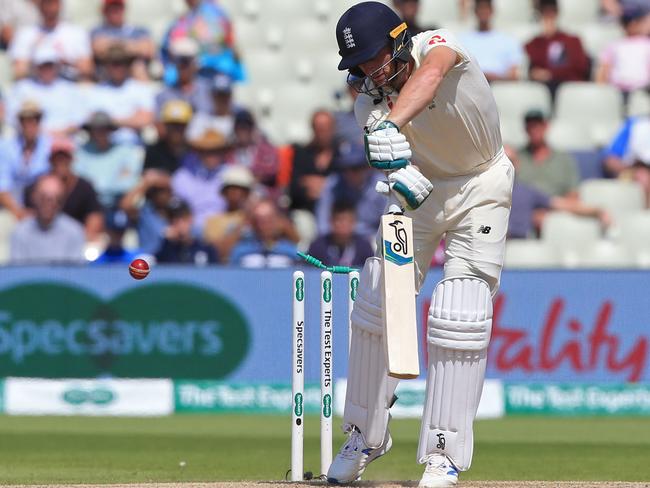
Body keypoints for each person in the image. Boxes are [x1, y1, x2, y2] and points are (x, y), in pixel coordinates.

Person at [329, 3, 514, 486]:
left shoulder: (438, 45)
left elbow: (431, 74)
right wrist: (396, 171)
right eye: (359, 66)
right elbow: (393, 161)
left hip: (482, 184)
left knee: (461, 307)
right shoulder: (368, 104)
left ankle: (443, 451)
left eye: (374, 57)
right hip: (424, 194)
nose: (369, 72)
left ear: (398, 39)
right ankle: (365, 434)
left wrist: (391, 124)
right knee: (376, 297)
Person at [506, 146, 610, 238]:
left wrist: (597, 211)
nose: (506, 166)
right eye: (502, 161)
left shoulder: (528, 193)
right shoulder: (489, 193)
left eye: (511, 160)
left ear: (518, 164)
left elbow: (564, 205)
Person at [24, 137, 104, 241]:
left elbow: (94, 218)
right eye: (57, 158)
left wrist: (78, 241)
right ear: (50, 160)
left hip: (77, 242)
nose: (60, 162)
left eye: (65, 157)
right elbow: (27, 217)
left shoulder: (85, 188)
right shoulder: (38, 186)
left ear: (72, 159)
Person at [84, 43, 155, 144]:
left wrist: (109, 121)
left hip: (132, 145)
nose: (118, 67)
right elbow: (91, 120)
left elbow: (145, 120)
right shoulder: (96, 91)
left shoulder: (141, 89)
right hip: (103, 145)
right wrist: (130, 120)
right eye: (114, 63)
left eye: (122, 63)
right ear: (106, 65)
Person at [6, 44, 83, 135]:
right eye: (43, 65)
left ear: (57, 66)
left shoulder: (70, 89)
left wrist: (60, 134)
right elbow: (12, 117)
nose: (47, 69)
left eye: (50, 65)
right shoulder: (22, 88)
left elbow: (79, 119)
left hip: (66, 140)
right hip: (31, 141)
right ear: (35, 67)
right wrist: (38, 132)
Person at [160, 0, 244, 83]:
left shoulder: (216, 14)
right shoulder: (182, 21)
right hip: (192, 72)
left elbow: (227, 42)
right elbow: (168, 46)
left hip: (215, 71)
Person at [315, 140, 385, 238]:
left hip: (373, 239)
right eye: (345, 168)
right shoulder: (334, 184)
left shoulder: (382, 186)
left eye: (355, 168)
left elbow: (390, 224)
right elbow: (322, 224)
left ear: (367, 167)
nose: (349, 174)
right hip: (341, 240)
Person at [74, 111, 143, 209]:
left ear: (110, 130)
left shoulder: (125, 151)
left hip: (117, 205)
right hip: (89, 205)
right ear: (90, 131)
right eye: (96, 128)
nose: (100, 132)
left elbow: (129, 183)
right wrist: (112, 183)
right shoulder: (81, 152)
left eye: (104, 128)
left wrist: (98, 187)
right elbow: (79, 182)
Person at [9, 0, 93, 80]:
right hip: (35, 86)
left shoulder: (76, 33)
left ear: (60, 5)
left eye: (53, 3)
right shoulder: (25, 34)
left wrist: (64, 62)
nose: (50, 8)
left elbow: (87, 69)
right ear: (39, 5)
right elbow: (18, 71)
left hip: (69, 84)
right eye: (46, 3)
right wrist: (38, 59)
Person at [10, 174, 85, 264]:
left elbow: (75, 273)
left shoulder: (74, 232)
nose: (50, 204)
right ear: (34, 197)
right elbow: (18, 272)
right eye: (44, 198)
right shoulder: (20, 232)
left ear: (63, 201)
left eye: (57, 198)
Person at [525, 0, 590, 97]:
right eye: (544, 14)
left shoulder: (572, 41)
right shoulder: (534, 43)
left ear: (557, 14)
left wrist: (550, 74)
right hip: (543, 90)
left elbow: (580, 68)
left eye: (551, 13)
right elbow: (530, 68)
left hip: (568, 89)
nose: (548, 18)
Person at [0, 101, 52, 219]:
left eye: (35, 119)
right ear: (20, 122)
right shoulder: (5, 147)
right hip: (11, 209)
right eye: (25, 120)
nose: (30, 124)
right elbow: (2, 187)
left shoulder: (49, 146)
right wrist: (19, 212)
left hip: (43, 209)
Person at [171, 128, 228, 229]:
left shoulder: (231, 174)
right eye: (208, 152)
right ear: (199, 152)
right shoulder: (183, 177)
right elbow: (177, 209)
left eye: (216, 151)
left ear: (222, 152)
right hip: (193, 231)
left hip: (225, 230)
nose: (212, 156)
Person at [515, 109, 580, 198]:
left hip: (557, 209)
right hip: (525, 208)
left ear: (546, 126)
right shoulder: (516, 158)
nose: (534, 130)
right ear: (525, 129)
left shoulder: (564, 159)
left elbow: (573, 194)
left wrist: (550, 207)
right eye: (530, 126)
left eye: (538, 125)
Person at [458, 0, 523, 82]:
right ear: (475, 11)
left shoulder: (508, 40)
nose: (483, 11)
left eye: (486, 8)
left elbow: (514, 74)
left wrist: (495, 78)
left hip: (500, 86)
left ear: (492, 11)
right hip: (471, 85)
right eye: (480, 8)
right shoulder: (462, 40)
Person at [91, 0, 155, 81]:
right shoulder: (97, 31)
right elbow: (98, 48)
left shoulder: (138, 30)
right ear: (104, 11)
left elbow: (147, 50)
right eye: (111, 9)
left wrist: (113, 45)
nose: (115, 11)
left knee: (138, 67)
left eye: (118, 8)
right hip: (107, 70)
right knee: (113, 66)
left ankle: (143, 92)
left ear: (124, 9)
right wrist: (131, 46)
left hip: (131, 70)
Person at [203, 165, 255, 262]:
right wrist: (244, 223)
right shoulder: (213, 221)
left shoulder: (259, 217)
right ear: (224, 192)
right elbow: (219, 253)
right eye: (232, 188)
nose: (236, 193)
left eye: (241, 189)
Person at [288, 110, 337, 213]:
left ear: (333, 129)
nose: (322, 133)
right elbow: (294, 187)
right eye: (319, 129)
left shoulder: (341, 154)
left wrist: (325, 185)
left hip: (336, 211)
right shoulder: (301, 154)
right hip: (307, 210)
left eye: (326, 129)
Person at [596, 5, 650, 96]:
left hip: (644, 92)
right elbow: (603, 71)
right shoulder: (614, 46)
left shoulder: (647, 45)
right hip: (616, 92)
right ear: (634, 24)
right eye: (644, 21)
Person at [229, 198, 298, 268]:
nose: (266, 226)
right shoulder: (241, 250)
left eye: (270, 220)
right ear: (253, 223)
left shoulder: (290, 250)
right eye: (261, 221)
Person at [120, 170, 174, 255]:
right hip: (148, 259)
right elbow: (125, 206)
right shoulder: (145, 211)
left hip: (174, 261)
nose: (164, 194)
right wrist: (146, 183)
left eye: (166, 190)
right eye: (157, 191)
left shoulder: (176, 208)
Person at [155, 37, 213, 115]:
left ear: (196, 64)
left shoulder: (210, 91)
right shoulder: (164, 96)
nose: (183, 66)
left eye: (187, 61)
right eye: (180, 61)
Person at [308, 200, 374, 268]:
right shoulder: (317, 246)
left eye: (347, 221)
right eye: (339, 220)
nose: (343, 225)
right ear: (331, 221)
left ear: (354, 222)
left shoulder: (364, 246)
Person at [603, 115, 650, 205]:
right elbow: (610, 159)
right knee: (643, 177)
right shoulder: (636, 125)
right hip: (635, 171)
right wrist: (631, 169)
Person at [155, 198, 218, 265]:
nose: (179, 223)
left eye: (183, 218)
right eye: (173, 219)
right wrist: (166, 241)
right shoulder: (165, 248)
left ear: (190, 218)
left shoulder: (205, 248)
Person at [230, 109, 279, 191]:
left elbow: (271, 171)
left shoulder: (266, 150)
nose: (243, 131)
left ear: (252, 128)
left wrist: (249, 178)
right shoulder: (229, 152)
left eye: (246, 127)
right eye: (240, 127)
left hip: (261, 194)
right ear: (235, 129)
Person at [144, 99, 193, 175]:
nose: (176, 129)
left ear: (188, 126)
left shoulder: (196, 152)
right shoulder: (154, 151)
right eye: (172, 125)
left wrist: (164, 180)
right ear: (165, 125)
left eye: (180, 125)